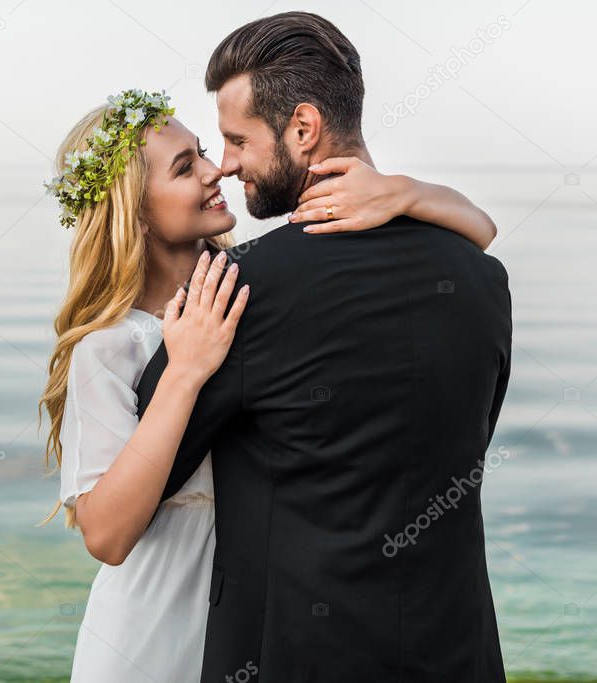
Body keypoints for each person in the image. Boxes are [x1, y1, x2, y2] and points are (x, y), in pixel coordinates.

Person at [39, 86, 499, 682]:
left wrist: (405, 191)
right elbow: (106, 536)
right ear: (136, 211)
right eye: (186, 168)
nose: (216, 171)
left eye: (205, 151)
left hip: (261, 621)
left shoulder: (253, 293)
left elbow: (481, 234)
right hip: (154, 624)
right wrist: (184, 371)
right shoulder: (107, 347)